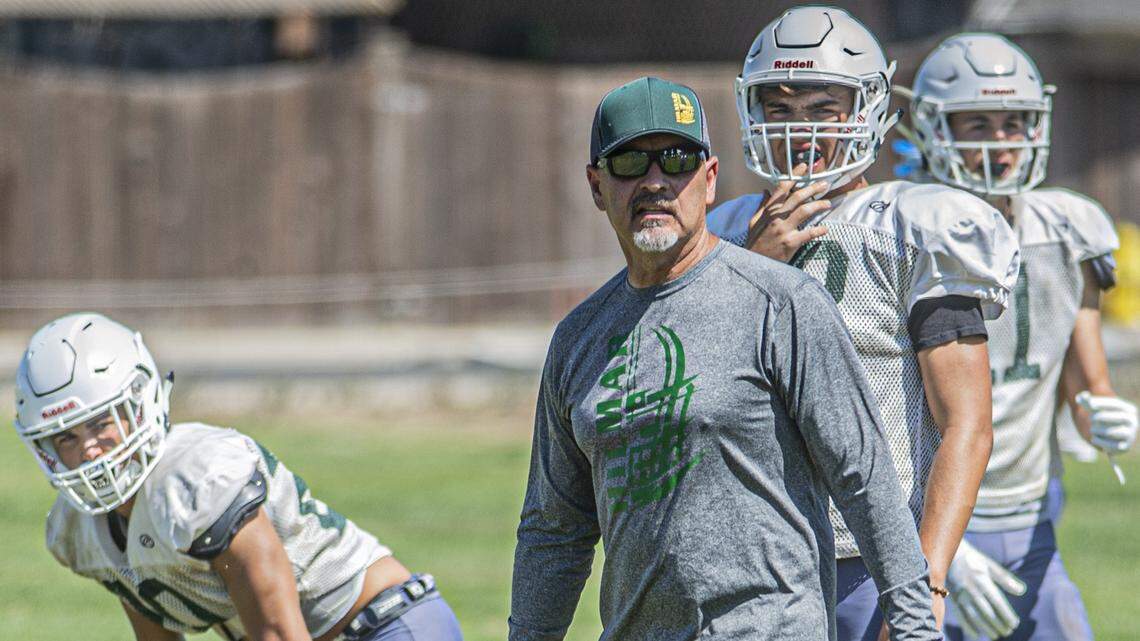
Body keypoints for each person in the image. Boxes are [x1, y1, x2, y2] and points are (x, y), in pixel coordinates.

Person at [509, 76, 940, 641]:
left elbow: (864, 479)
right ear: (596, 184)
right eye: (630, 163)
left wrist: (916, 626)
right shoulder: (578, 338)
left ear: (709, 180)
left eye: (677, 159)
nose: (656, 182)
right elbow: (554, 530)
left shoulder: (782, 303)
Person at [705, 7, 1021, 640]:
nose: (800, 131)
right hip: (744, 560)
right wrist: (751, 268)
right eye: (781, 107)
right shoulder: (719, 233)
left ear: (870, 110)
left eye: (824, 109)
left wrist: (925, 582)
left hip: (867, 566)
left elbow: (967, 423)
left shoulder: (916, 226)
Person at [12, 312, 464, 641]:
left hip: (385, 627)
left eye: (100, 423)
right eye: (65, 438)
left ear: (139, 404)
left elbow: (278, 633)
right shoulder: (79, 530)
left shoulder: (196, 479)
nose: (88, 448)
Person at [908, 32, 1138, 641]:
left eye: (1015, 122)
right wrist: (931, 549)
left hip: (1034, 521)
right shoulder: (901, 228)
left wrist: (1109, 417)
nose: (1001, 142)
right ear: (932, 128)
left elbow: (1088, 391)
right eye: (977, 121)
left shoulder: (1068, 229)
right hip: (928, 530)